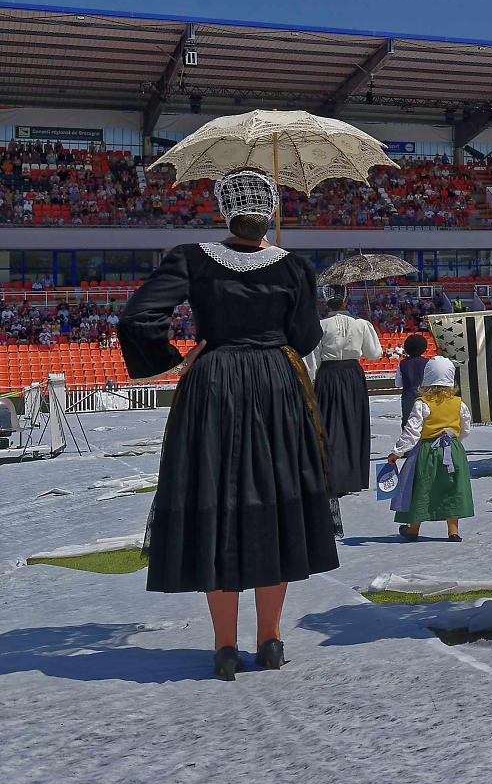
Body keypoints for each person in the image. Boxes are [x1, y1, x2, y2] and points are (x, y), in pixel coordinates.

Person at [118, 169, 338, 681]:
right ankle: (271, 639)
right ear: (271, 216)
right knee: (276, 505)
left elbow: (136, 319)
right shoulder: (294, 266)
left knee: (215, 503)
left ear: (225, 211)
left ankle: (223, 646)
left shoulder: (190, 257)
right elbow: (305, 338)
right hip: (275, 385)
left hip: (213, 383)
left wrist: (175, 357)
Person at [306, 286, 383, 509]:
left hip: (328, 375)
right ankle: (353, 477)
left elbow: (313, 362)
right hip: (352, 375)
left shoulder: (319, 326)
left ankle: (332, 476)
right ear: (346, 299)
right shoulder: (361, 324)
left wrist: (311, 384)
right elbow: (374, 354)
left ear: (325, 302)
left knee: (329, 425)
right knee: (353, 423)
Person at [385, 356, 474, 541]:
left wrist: (397, 451)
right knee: (452, 487)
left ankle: (413, 528)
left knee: (421, 487)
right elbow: (465, 428)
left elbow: (412, 431)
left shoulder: (422, 404)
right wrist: (455, 442)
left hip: (427, 451)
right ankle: (453, 531)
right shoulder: (460, 404)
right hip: (453, 450)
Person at [395, 332, 430, 420]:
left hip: (408, 396)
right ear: (424, 348)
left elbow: (398, 384)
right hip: (425, 397)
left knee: (408, 422)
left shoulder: (402, 363)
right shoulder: (428, 362)